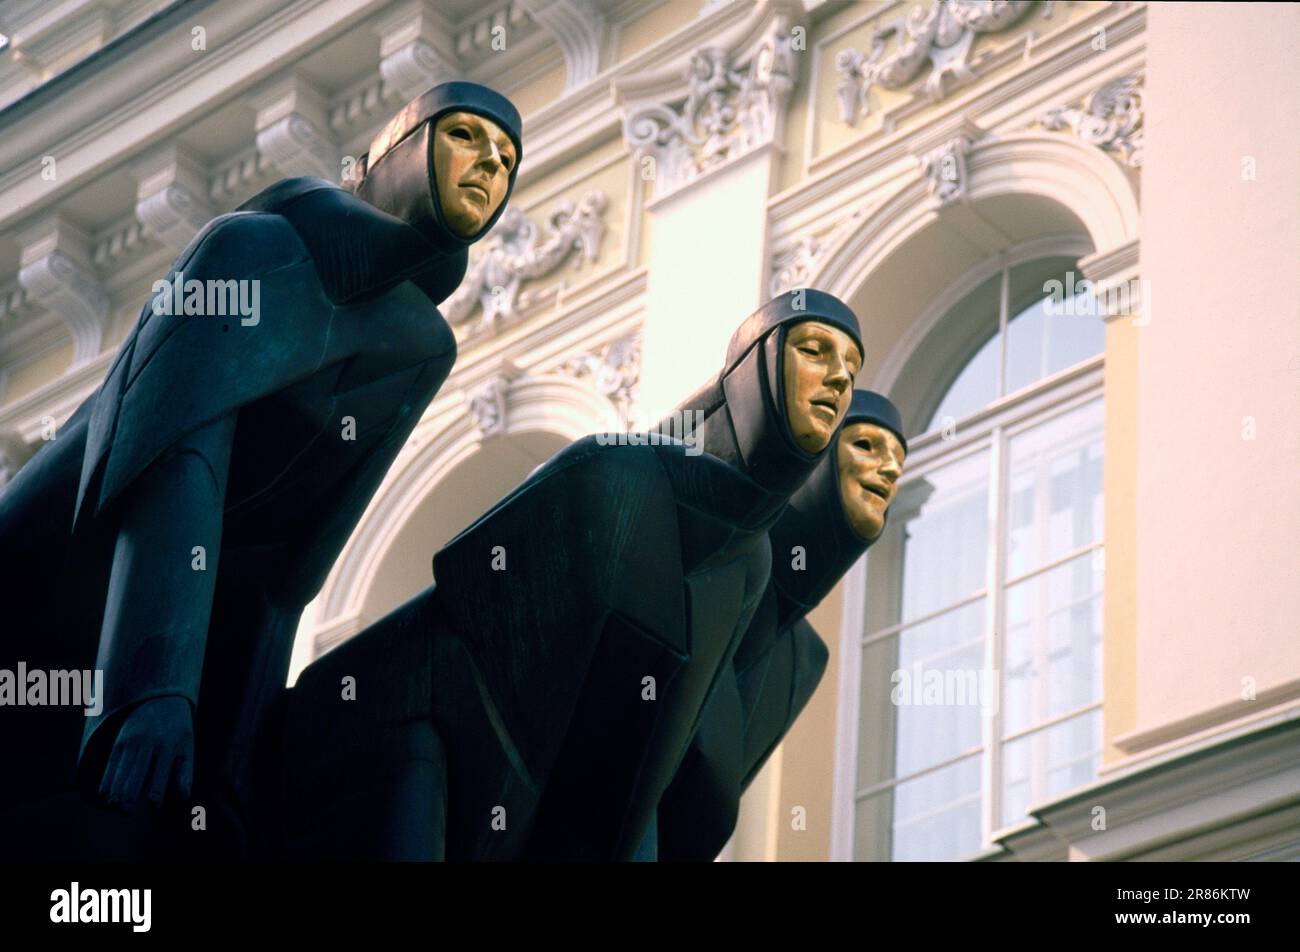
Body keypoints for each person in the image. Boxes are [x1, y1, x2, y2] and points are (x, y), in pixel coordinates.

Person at [0, 81, 523, 860]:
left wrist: (233, 766)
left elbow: (288, 576)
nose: (490, 164)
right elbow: (177, 458)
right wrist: (154, 689)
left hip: (174, 638)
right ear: (398, 154)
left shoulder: (418, 350)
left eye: (508, 158)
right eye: (465, 137)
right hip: (51, 594)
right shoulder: (251, 249)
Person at [279, 288, 864, 861]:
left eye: (851, 367)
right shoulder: (611, 475)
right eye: (814, 350)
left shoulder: (749, 570)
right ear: (753, 368)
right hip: (396, 771)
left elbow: (635, 795)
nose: (839, 378)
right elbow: (447, 650)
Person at [656, 389, 908, 860]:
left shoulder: (801, 660)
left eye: (898, 460)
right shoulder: (712, 566)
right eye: (867, 446)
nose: (891, 470)